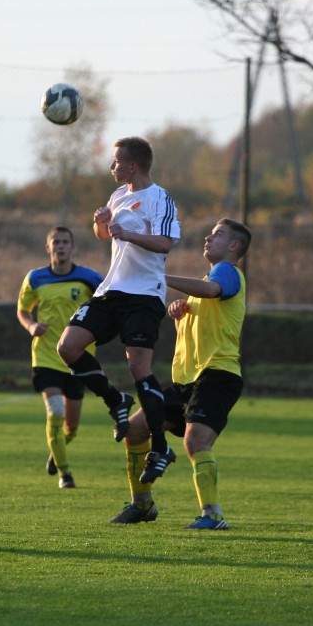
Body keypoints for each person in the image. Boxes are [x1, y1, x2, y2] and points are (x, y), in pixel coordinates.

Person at [110, 218, 251, 529]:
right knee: (134, 431)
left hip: (217, 376)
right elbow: (199, 330)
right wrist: (179, 316)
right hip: (186, 381)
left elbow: (213, 289)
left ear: (234, 246)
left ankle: (213, 515)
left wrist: (161, 276)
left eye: (218, 234)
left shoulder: (226, 272)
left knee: (196, 440)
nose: (208, 238)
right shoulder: (205, 283)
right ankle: (142, 505)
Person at [56, 136, 181, 485]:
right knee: (68, 346)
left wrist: (126, 233)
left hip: (144, 294)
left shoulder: (159, 198)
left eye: (116, 161)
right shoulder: (118, 195)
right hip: (111, 291)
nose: (112, 166)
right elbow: (105, 235)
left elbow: (165, 243)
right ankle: (116, 400)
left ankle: (160, 448)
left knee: (139, 367)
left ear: (133, 165)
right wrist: (102, 222)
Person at [17, 226, 104, 489]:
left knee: (71, 426)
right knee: (55, 411)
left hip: (77, 358)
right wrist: (31, 326)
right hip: (45, 355)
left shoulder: (90, 278)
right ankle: (65, 474)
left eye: (65, 242)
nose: (61, 246)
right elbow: (22, 310)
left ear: (73, 247)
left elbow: (107, 304)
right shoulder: (35, 278)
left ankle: (57, 451)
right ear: (48, 248)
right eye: (56, 242)